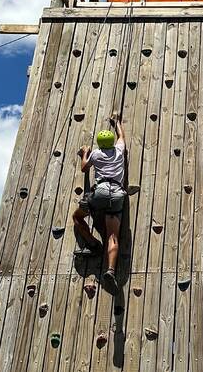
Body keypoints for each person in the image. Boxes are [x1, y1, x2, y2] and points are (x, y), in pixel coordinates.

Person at [72, 113, 127, 289]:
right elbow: (122, 136)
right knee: (113, 236)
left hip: (100, 192)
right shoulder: (119, 151)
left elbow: (83, 168)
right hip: (118, 193)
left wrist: (85, 153)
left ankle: (93, 244)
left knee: (77, 217)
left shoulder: (95, 154)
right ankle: (110, 269)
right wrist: (116, 122)